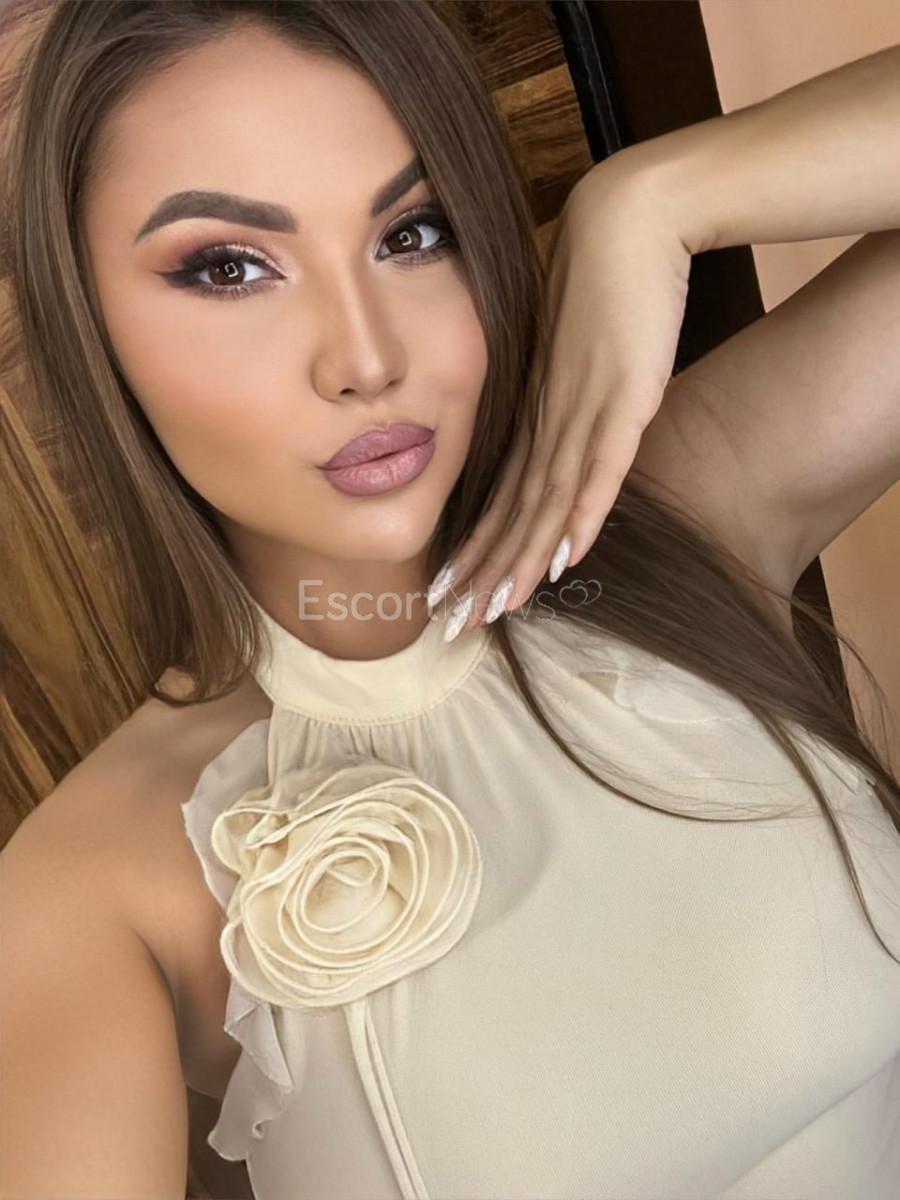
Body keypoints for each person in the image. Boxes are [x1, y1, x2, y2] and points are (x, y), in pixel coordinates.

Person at [1, 2, 899, 1198]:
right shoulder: (90, 892)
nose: (366, 359)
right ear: (91, 324)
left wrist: (654, 200)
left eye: (412, 233)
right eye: (229, 268)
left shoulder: (686, 510)